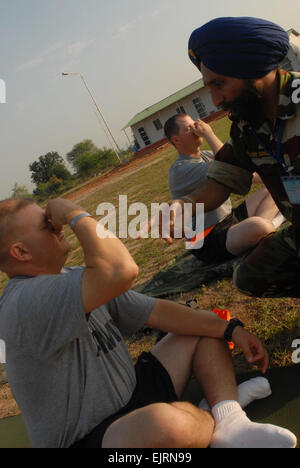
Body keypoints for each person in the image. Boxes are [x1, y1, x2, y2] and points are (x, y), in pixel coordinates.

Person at [0, 197, 297, 448]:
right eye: (46, 225)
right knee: (164, 424)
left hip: (133, 396)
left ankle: (229, 419)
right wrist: (75, 214)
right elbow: (121, 269)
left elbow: (158, 312)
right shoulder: (23, 303)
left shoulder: (69, 277)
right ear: (21, 252)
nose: (58, 226)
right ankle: (215, 417)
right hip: (94, 439)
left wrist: (232, 329)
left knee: (203, 326)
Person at [142, 17, 300, 298]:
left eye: (220, 84)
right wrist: (183, 204)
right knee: (251, 278)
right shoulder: (246, 126)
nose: (215, 100)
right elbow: (219, 184)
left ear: (252, 68)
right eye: (210, 88)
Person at [165, 113, 282, 263]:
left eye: (195, 124)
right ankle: (264, 227)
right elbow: (230, 166)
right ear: (176, 140)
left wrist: (277, 177)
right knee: (261, 227)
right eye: (189, 128)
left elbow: (247, 173)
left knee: (272, 189)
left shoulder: (206, 155)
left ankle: (260, 229)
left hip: (228, 219)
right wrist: (208, 133)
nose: (196, 129)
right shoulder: (181, 170)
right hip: (207, 239)